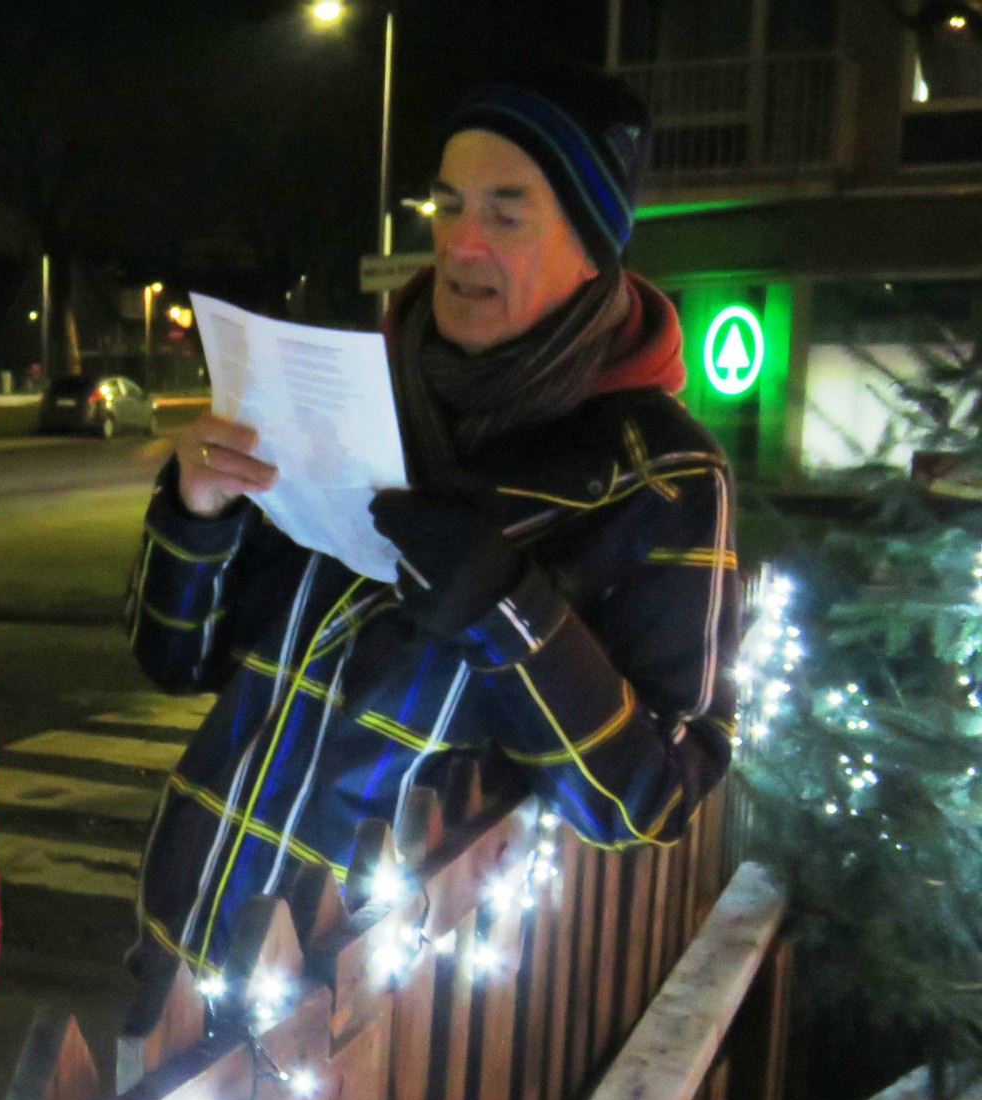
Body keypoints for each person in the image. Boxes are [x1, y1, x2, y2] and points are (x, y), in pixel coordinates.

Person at [128, 65, 739, 969]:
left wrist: (506, 609)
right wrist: (198, 516)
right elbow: (175, 661)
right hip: (186, 934)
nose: (460, 244)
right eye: (446, 206)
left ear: (590, 245)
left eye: (505, 211)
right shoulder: (344, 396)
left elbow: (655, 797)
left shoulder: (659, 476)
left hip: (376, 1004)